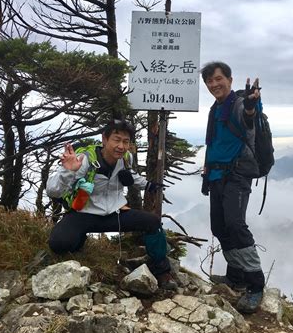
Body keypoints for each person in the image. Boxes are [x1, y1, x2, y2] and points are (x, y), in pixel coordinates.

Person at [46, 119, 177, 290]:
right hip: (84, 213)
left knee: (152, 222)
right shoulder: (85, 159)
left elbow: (131, 176)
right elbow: (52, 191)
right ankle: (78, 243)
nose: (121, 146)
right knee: (58, 243)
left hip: (115, 213)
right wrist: (68, 171)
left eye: (126, 141)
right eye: (116, 139)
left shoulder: (125, 158)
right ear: (104, 139)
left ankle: (162, 271)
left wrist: (148, 185)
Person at [201, 61, 265, 314]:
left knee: (236, 226)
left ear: (229, 79)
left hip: (237, 174)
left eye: (218, 79)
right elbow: (213, 142)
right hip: (216, 174)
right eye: (209, 81)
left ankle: (255, 284)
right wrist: (207, 171)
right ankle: (236, 276)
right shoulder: (215, 109)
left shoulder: (239, 103)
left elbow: (249, 118)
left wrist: (251, 105)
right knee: (219, 226)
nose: (214, 84)